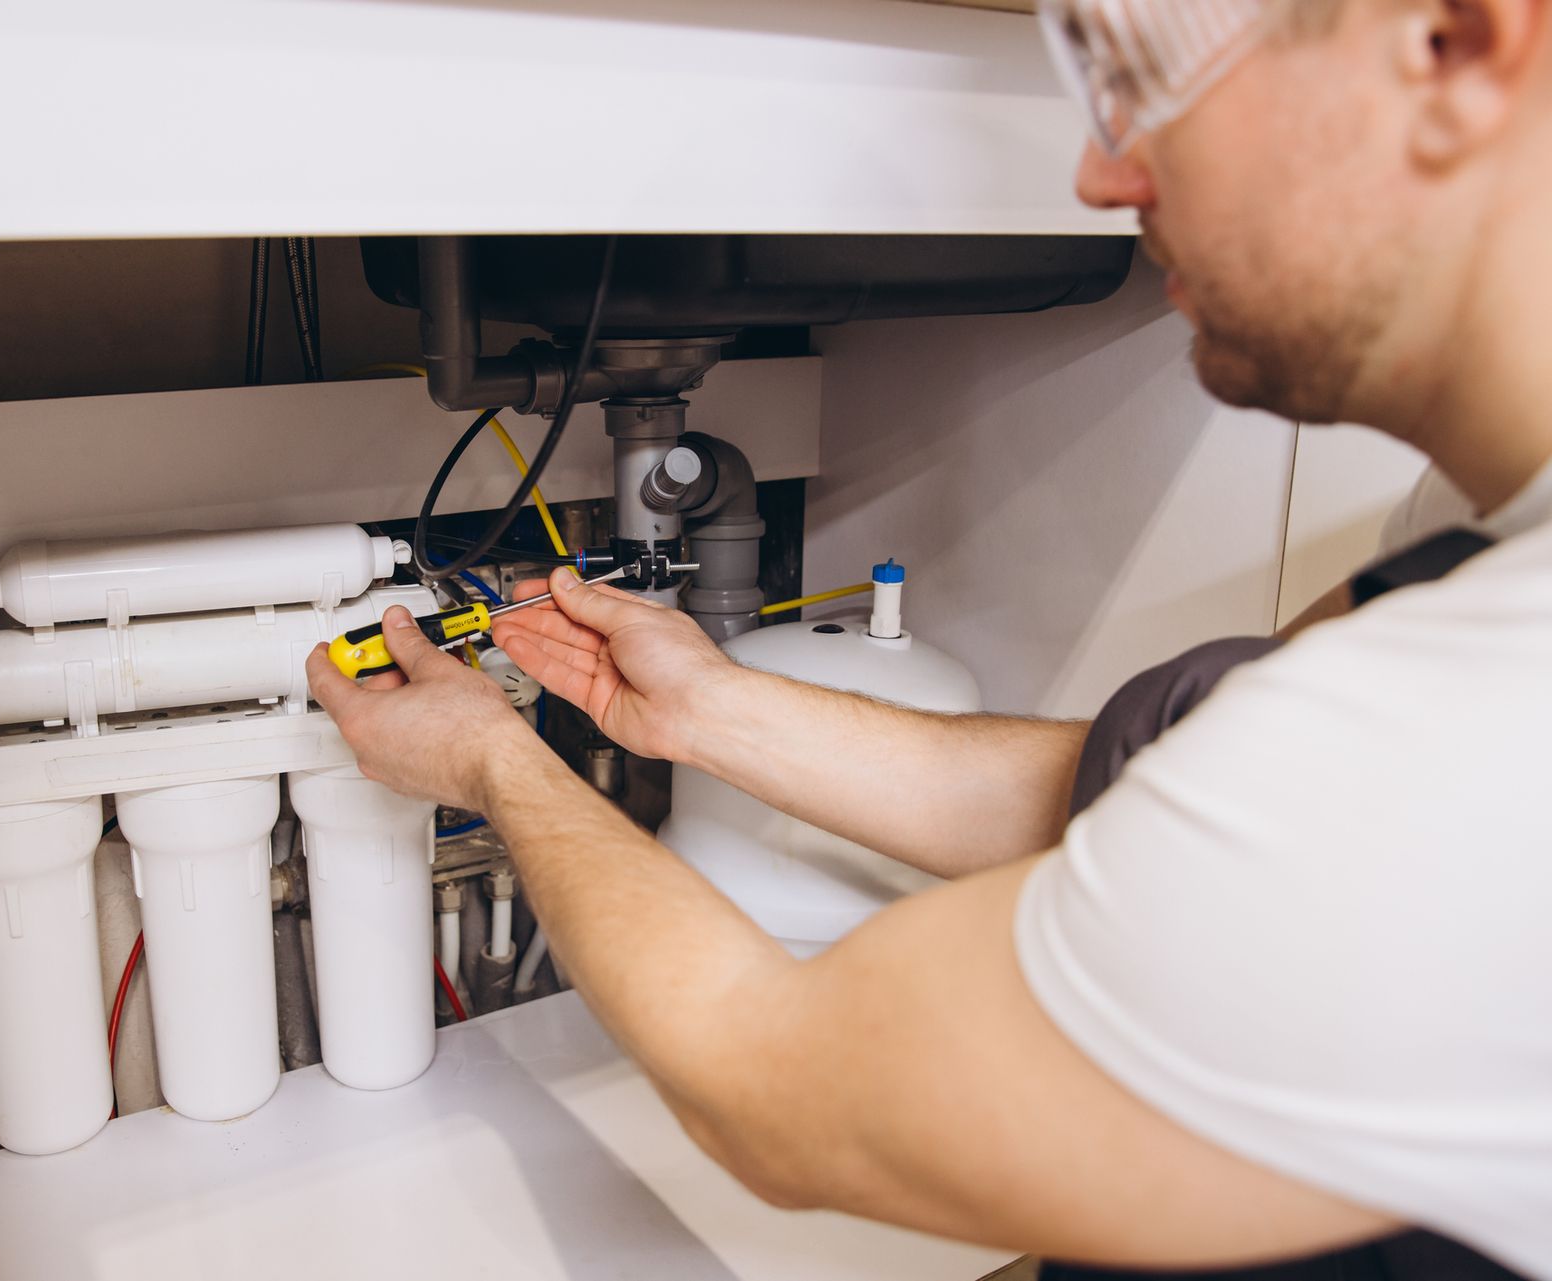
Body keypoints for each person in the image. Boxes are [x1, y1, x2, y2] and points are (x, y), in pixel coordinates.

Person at [304, 0, 1552, 1273]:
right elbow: (1149, 795)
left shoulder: (1488, 726)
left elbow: (772, 1089)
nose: (1100, 173)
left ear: (1453, 43)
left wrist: (496, 765)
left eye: (1145, 80)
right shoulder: (1480, 523)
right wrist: (706, 707)